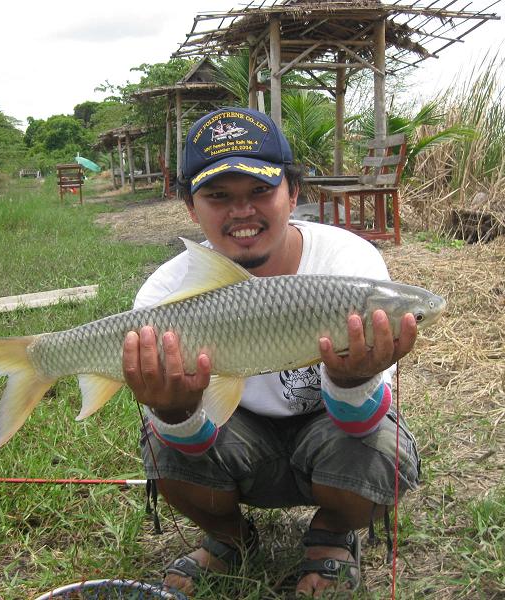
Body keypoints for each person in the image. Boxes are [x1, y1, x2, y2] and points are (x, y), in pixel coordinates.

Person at [122, 107, 421, 597]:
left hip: (330, 430)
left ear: (293, 192)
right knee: (163, 445)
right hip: (233, 433)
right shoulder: (165, 293)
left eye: (261, 191)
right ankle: (228, 539)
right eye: (218, 197)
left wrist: (351, 380)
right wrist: (173, 411)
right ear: (191, 208)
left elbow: (364, 423)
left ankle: (332, 537)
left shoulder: (349, 264)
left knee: (381, 452)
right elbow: (187, 437)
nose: (242, 212)